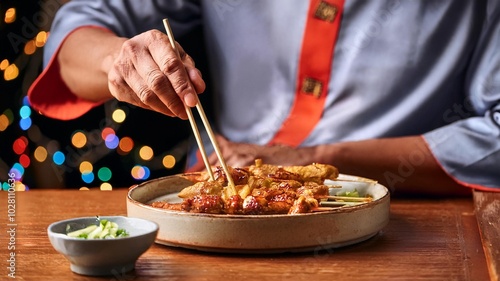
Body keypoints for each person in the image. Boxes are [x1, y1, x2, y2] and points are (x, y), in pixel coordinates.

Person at [28, 0, 500, 196]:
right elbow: (81, 25)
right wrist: (119, 61)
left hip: (392, 212)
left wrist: (317, 159)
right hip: (209, 194)